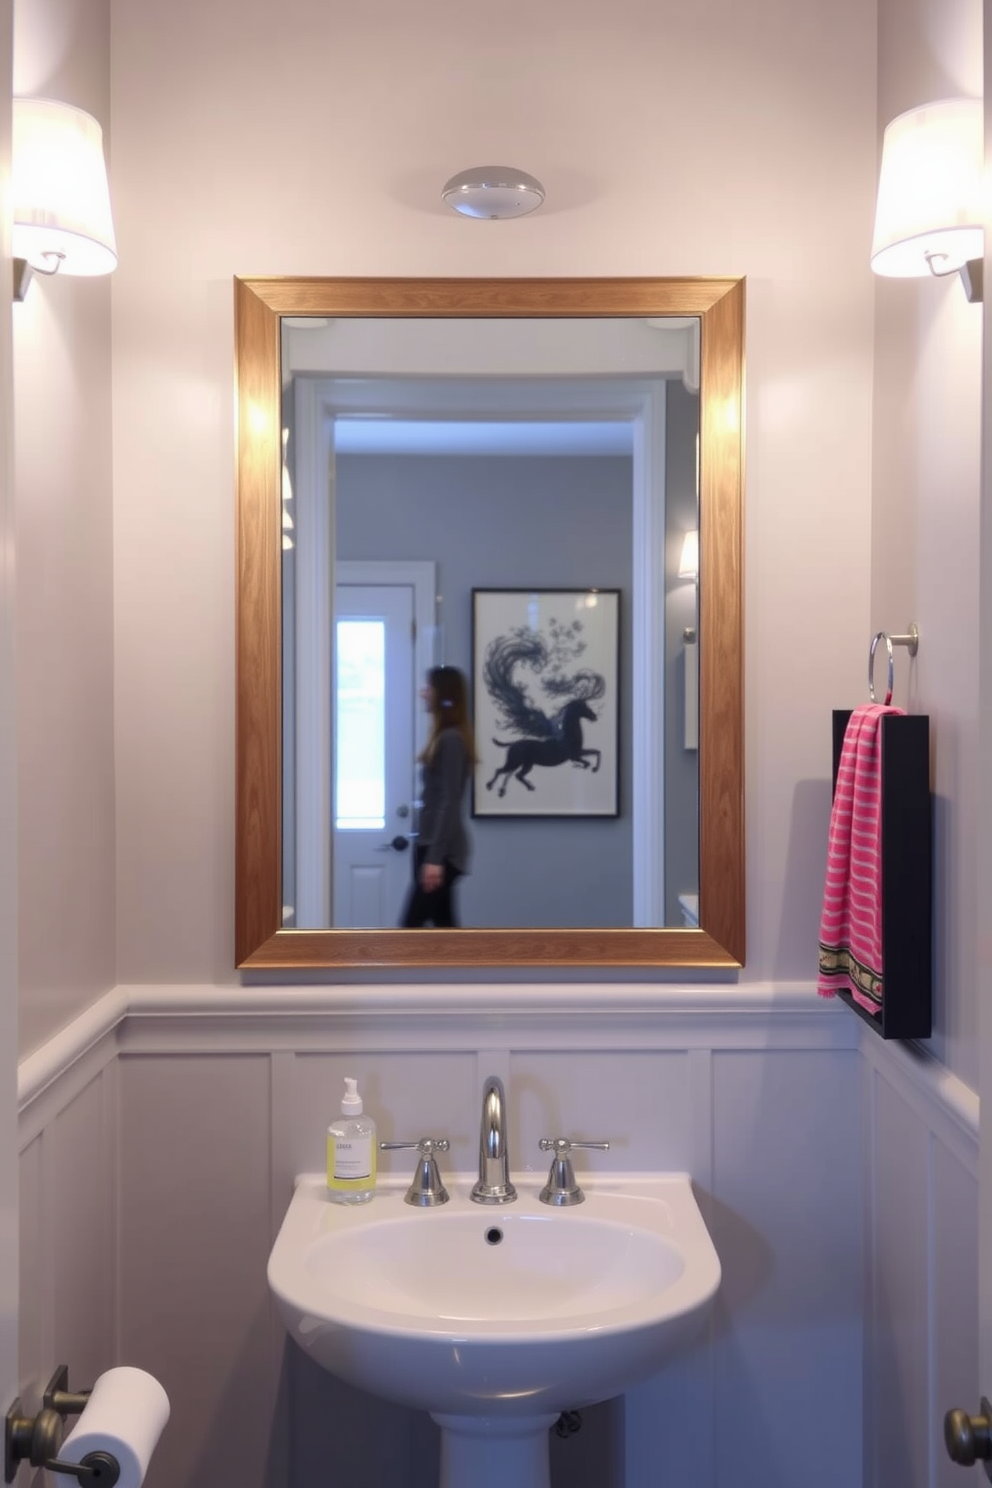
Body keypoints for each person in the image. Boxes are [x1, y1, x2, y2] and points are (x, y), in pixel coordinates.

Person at [401, 665, 478, 928]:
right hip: (433, 847)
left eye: (429, 688)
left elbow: (450, 800)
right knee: (445, 930)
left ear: (443, 694)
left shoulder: (451, 739)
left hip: (441, 852)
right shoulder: (444, 736)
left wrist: (434, 858)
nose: (424, 694)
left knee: (410, 930)